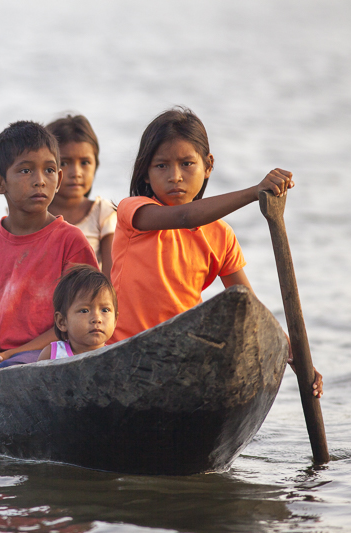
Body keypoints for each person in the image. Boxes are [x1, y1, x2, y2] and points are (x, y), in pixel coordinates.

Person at [109, 107, 323, 397]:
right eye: (161, 166)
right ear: (145, 174)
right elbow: (185, 218)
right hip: (122, 354)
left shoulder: (220, 236)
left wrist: (294, 356)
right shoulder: (133, 212)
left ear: (208, 166)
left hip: (179, 360)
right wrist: (254, 192)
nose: (175, 177)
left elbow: (252, 307)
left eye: (187, 164)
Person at [0, 121, 99, 373]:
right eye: (26, 171)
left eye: (48, 170)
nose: (39, 181)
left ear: (58, 179)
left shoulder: (71, 241)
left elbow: (76, 319)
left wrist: (11, 355)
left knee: (14, 369)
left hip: (50, 353)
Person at [46, 115, 116, 275]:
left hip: (89, 299)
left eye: (85, 162)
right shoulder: (33, 212)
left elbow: (110, 278)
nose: (76, 173)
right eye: (64, 163)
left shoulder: (102, 213)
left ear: (96, 165)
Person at [38, 264, 117, 360]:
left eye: (105, 310)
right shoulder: (52, 355)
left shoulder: (115, 358)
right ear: (62, 321)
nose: (97, 319)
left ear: (115, 320)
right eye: (84, 311)